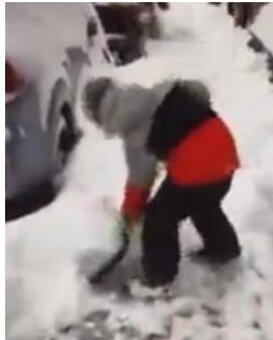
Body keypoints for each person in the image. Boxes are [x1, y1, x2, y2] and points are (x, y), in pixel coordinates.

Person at [82, 77, 241, 288]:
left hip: (198, 168)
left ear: (99, 115)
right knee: (202, 203)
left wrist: (129, 217)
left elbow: (139, 183)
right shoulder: (158, 91)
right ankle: (223, 248)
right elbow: (198, 90)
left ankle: (159, 277)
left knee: (160, 215)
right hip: (225, 154)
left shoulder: (135, 135)